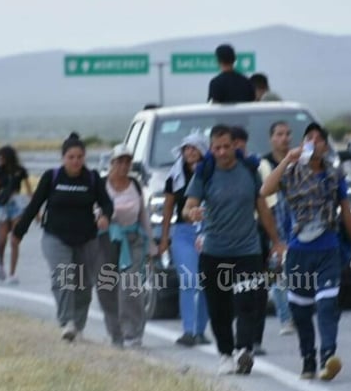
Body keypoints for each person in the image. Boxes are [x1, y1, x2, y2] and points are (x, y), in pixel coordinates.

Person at [260, 122, 351, 382]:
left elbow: (348, 213)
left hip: (328, 250)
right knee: (301, 311)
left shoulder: (333, 174)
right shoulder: (292, 172)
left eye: (320, 139)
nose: (315, 143)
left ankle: (328, 357)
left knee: (328, 304)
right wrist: (288, 158)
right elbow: (265, 190)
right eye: (310, 139)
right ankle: (308, 359)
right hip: (298, 253)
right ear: (303, 144)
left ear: (326, 146)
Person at [183, 125, 285, 376]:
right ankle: (226, 354)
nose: (222, 152)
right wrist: (191, 213)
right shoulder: (204, 173)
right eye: (216, 147)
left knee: (247, 302)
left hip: (247, 250)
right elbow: (188, 206)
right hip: (214, 251)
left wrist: (276, 241)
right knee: (219, 309)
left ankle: (243, 350)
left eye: (226, 146)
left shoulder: (249, 170)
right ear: (211, 149)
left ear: (235, 146)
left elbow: (262, 207)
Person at [12, 132, 114, 342]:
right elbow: (34, 205)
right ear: (63, 158)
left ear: (84, 157)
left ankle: (78, 325)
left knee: (83, 286)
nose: (76, 161)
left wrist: (105, 215)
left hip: (86, 238)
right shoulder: (52, 177)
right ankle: (67, 321)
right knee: (64, 277)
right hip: (55, 236)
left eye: (79, 157)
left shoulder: (93, 178)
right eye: (71, 157)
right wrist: (19, 232)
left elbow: (107, 203)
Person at [96, 144, 157, 349]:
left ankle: (133, 332)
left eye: (127, 161)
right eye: (119, 161)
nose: (123, 165)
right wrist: (100, 218)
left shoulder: (136, 184)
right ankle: (116, 333)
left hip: (133, 240)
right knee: (108, 288)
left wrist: (152, 244)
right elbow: (94, 209)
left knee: (130, 286)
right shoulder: (102, 184)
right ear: (112, 163)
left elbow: (143, 216)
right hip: (107, 240)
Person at [158, 133, 212, 347]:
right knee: (188, 281)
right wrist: (164, 239)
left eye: (194, 148)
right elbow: (168, 208)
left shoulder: (211, 173)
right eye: (186, 148)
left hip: (208, 232)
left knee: (207, 283)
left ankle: (200, 330)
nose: (190, 152)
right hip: (183, 233)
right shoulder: (175, 176)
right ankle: (188, 330)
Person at [230, 126, 267, 355]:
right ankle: (234, 342)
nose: (236, 149)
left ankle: (253, 340)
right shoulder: (215, 170)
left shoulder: (257, 167)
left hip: (254, 233)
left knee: (257, 289)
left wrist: (273, 239)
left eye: (239, 144)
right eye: (231, 145)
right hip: (226, 237)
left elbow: (267, 203)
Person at [260, 121, 295, 335]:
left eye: (287, 134)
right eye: (279, 134)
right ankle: (286, 318)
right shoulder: (264, 164)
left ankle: (298, 312)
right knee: (277, 272)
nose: (284, 138)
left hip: (297, 224)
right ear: (272, 138)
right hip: (274, 224)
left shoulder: (299, 161)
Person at [0, 145, 32, 284]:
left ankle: (12, 273)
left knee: (15, 240)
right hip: (2, 206)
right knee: (2, 240)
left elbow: (28, 189)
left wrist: (34, 210)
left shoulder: (21, 171)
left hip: (17, 205)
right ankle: (0, 263)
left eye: (1, 157)